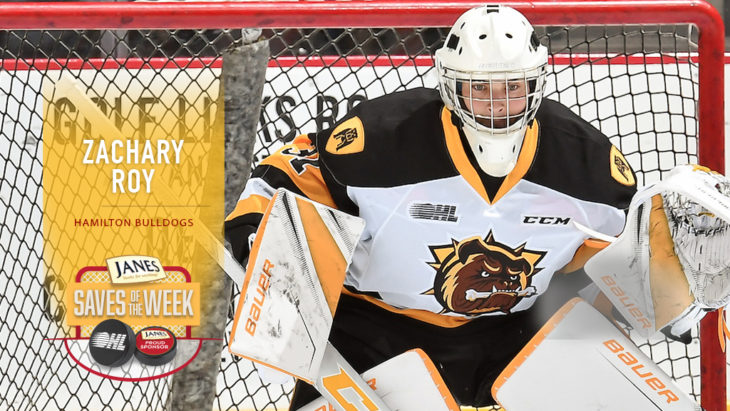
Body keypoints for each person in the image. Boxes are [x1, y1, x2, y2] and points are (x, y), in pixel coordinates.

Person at [225, 5, 638, 408]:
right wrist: (259, 240)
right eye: (480, 88)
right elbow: (286, 177)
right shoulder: (383, 139)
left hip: (513, 336)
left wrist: (655, 269)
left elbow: (618, 261)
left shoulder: (588, 166)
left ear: (535, 84)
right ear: (451, 86)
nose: (496, 104)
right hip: (373, 330)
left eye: (512, 87)